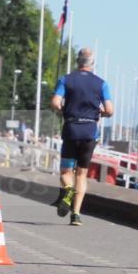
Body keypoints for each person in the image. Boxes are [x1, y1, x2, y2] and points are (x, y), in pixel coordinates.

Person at [50, 47, 114, 226]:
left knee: (65, 171)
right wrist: (102, 113)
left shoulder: (66, 79)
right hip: (89, 131)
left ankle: (68, 190)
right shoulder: (101, 83)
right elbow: (110, 110)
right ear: (92, 63)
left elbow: (55, 102)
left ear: (77, 61)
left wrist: (66, 110)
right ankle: (76, 215)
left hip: (71, 128)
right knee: (82, 174)